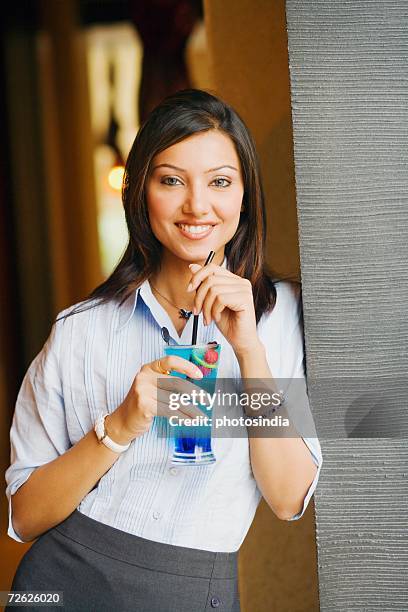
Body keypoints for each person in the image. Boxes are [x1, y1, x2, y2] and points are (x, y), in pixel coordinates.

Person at [5, 88, 323, 612]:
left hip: (193, 589)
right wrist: (119, 427)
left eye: (220, 181)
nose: (197, 205)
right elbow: (23, 518)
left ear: (245, 195)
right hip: (61, 586)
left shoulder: (284, 318)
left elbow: (289, 499)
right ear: (141, 194)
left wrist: (249, 350)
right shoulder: (80, 331)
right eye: (171, 180)